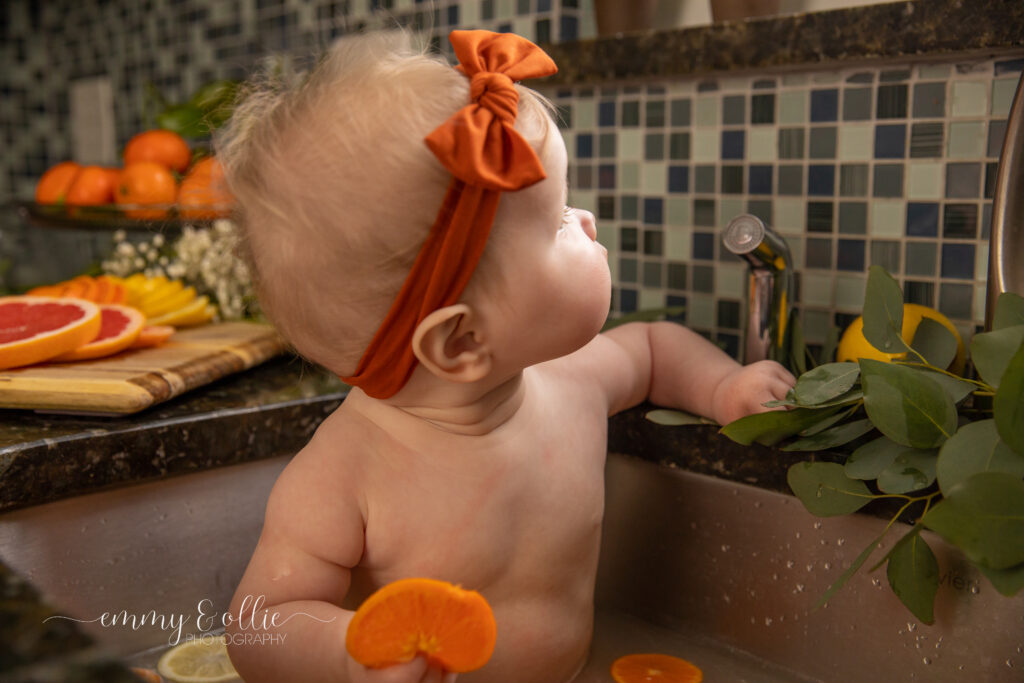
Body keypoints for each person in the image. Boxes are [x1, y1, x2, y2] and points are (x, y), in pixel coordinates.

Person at [215, 29, 795, 683]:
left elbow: (655, 348)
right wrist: (354, 653)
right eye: (555, 222)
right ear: (461, 342)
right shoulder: (342, 474)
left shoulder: (571, 380)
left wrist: (725, 388)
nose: (586, 221)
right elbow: (260, 624)